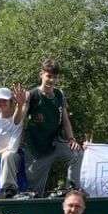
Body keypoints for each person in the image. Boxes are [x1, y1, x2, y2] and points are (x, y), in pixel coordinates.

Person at [24, 59, 83, 196]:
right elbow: (19, 120)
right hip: (37, 148)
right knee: (34, 190)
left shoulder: (59, 94)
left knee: (77, 154)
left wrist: (71, 139)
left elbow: (66, 120)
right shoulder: (32, 95)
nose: (51, 80)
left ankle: (72, 191)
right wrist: (22, 105)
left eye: (55, 77)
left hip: (56, 142)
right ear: (41, 74)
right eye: (49, 76)